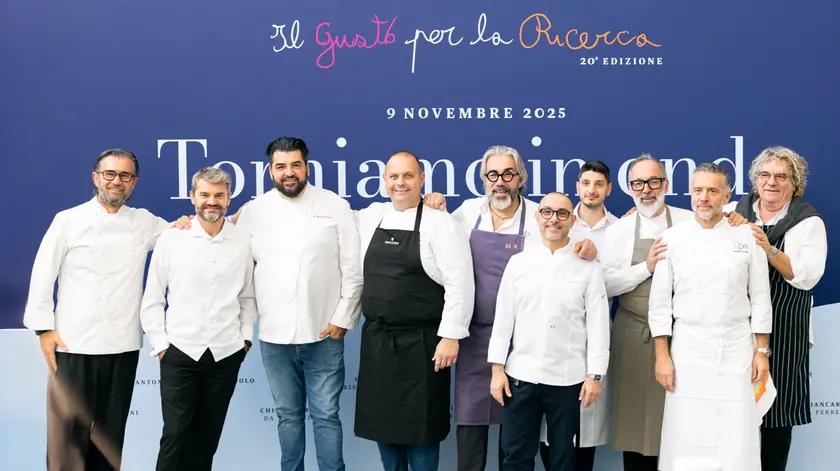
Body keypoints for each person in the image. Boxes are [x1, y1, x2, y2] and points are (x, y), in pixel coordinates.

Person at [422, 146, 598, 471]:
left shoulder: (539, 215)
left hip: (523, 345)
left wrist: (588, 245)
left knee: (516, 441)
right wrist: (433, 206)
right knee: (470, 434)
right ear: (483, 179)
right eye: (493, 174)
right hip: (473, 339)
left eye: (508, 174)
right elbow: (439, 254)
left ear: (520, 179)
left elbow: (575, 241)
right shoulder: (466, 213)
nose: (499, 181)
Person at [22, 149, 187, 471]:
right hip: (73, 344)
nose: (117, 181)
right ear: (96, 177)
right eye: (110, 174)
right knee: (66, 440)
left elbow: (180, 236)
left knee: (110, 439)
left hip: (122, 345)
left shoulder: (143, 221)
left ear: (134, 182)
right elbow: (42, 273)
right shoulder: (68, 220)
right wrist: (43, 329)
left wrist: (202, 222)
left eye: (125, 175)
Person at [235, 137, 363, 471]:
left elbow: (353, 268)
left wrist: (343, 319)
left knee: (326, 415)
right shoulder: (252, 212)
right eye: (281, 166)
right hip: (274, 337)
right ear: (270, 171)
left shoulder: (335, 205)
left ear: (307, 167)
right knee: (288, 417)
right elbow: (243, 274)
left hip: (324, 334)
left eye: (295, 165)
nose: (288, 172)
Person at [354, 151, 475, 471]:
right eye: (394, 176)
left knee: (423, 433)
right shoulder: (370, 216)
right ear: (384, 181)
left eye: (408, 176)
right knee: (383, 429)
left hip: (425, 345)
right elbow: (324, 222)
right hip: (379, 343)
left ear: (422, 179)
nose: (400, 183)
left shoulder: (441, 223)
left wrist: (451, 336)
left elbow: (460, 284)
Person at [649, 163, 772, 470]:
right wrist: (662, 355)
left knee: (735, 434)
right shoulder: (671, 238)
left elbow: (760, 298)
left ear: (726, 196)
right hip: (687, 352)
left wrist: (761, 351)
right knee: (687, 432)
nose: (704, 198)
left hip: (736, 350)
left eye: (712, 191)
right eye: (698, 190)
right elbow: (660, 304)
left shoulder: (748, 237)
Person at [139, 167, 256, 471]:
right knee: (176, 436)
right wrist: (161, 346)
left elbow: (247, 296)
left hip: (226, 353)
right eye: (204, 194)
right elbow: (152, 299)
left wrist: (244, 339)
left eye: (219, 195)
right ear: (193, 197)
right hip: (180, 352)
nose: (212, 201)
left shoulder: (243, 240)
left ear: (228, 198)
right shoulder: (171, 239)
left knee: (207, 439)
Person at [488, 192, 610, 471]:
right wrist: (496, 370)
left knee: (563, 459)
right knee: (515, 457)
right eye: (547, 212)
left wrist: (595, 375)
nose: (554, 219)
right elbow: (503, 320)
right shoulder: (518, 263)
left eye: (562, 213)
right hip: (520, 377)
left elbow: (599, 326)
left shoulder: (589, 268)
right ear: (537, 217)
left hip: (568, 380)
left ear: (572, 220)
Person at [727, 147, 827, 471]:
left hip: (785, 329)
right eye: (765, 175)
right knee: (733, 413)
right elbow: (692, 227)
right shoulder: (731, 212)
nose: (771, 182)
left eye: (781, 176)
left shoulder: (808, 222)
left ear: (794, 184)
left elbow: (807, 275)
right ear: (755, 180)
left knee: (778, 415)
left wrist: (768, 249)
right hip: (735, 328)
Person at [601, 154, 694, 471]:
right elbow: (607, 285)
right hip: (633, 335)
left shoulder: (688, 222)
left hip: (683, 335)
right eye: (638, 183)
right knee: (635, 424)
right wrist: (647, 266)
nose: (646, 190)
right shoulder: (619, 230)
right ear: (629, 188)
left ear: (666, 184)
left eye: (653, 181)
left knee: (681, 420)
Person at [540, 160, 618, 471]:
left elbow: (619, 279)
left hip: (594, 332)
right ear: (577, 187)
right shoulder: (558, 223)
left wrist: (596, 265)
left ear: (608, 188)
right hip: (552, 335)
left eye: (598, 184)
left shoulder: (619, 228)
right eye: (586, 183)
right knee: (550, 429)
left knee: (586, 427)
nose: (591, 190)